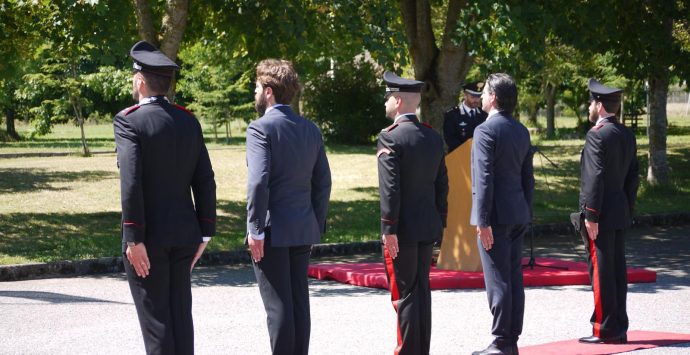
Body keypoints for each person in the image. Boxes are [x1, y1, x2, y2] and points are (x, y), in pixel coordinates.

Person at [114, 41, 216, 355]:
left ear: (140, 81)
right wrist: (205, 232)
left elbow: (131, 183)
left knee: (157, 324)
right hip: (185, 235)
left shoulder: (128, 120)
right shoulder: (188, 120)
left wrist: (134, 237)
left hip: (149, 238)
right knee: (180, 321)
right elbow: (205, 180)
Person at [245, 59, 332, 355]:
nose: (255, 92)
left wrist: (254, 228)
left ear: (269, 92)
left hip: (271, 229)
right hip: (302, 227)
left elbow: (259, 182)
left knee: (278, 307)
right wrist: (315, 226)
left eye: (257, 86)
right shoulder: (310, 129)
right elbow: (323, 183)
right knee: (297, 304)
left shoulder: (260, 129)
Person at [377, 71, 448, 355]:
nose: (385, 104)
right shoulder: (431, 136)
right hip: (426, 227)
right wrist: (439, 223)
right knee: (421, 293)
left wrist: (388, 228)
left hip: (401, 230)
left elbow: (390, 189)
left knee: (404, 296)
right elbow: (443, 185)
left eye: (387, 98)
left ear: (397, 100)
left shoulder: (390, 137)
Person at [470, 73, 534, 355]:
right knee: (513, 278)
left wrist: (482, 220)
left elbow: (484, 179)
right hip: (518, 212)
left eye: (484, 92)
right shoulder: (521, 130)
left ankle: (501, 341)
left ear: (494, 97)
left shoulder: (485, 131)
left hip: (495, 217)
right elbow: (527, 178)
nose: (481, 96)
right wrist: (526, 211)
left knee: (498, 280)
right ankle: (511, 339)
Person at [578, 79, 639, 345]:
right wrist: (627, 207)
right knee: (617, 271)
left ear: (600, 105)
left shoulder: (596, 135)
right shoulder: (626, 134)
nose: (590, 106)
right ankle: (619, 325)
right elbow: (633, 177)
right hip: (619, 211)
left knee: (601, 272)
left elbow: (595, 178)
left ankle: (604, 328)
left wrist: (591, 214)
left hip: (600, 214)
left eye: (592, 102)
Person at [443, 81, 488, 152]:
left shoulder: (484, 115)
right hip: (460, 157)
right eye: (472, 97)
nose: (476, 100)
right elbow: (451, 140)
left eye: (478, 97)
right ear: (465, 96)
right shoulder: (452, 115)